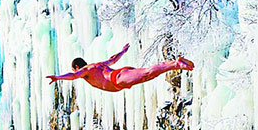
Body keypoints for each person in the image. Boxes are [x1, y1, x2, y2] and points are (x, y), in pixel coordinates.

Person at [46, 43, 194, 92]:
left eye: (75, 69)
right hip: (119, 76)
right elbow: (112, 60)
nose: (76, 72)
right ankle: (175, 64)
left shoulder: (85, 71)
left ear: (77, 67)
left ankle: (176, 64)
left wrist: (57, 77)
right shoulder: (96, 66)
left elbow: (72, 76)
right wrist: (122, 52)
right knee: (147, 75)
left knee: (147, 74)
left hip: (117, 79)